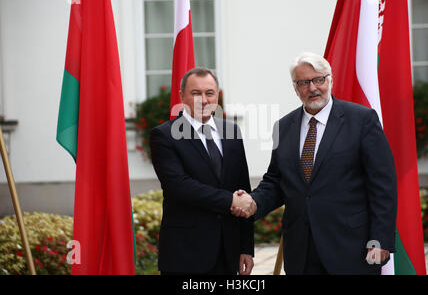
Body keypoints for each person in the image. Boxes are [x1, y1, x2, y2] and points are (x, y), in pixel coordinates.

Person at [232, 52, 397, 275]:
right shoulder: (284, 126)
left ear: (331, 80)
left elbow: (382, 184)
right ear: (295, 87)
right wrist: (253, 202)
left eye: (319, 79)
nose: (312, 88)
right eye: (304, 82)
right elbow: (276, 181)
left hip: (351, 248)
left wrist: (380, 239)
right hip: (301, 251)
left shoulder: (361, 120)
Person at [150, 67, 255, 275]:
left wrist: (246, 247)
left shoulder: (231, 131)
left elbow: (242, 187)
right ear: (182, 96)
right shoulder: (164, 135)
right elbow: (179, 186)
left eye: (210, 93)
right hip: (185, 253)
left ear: (218, 96)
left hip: (228, 252)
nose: (204, 100)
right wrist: (230, 201)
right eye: (195, 93)